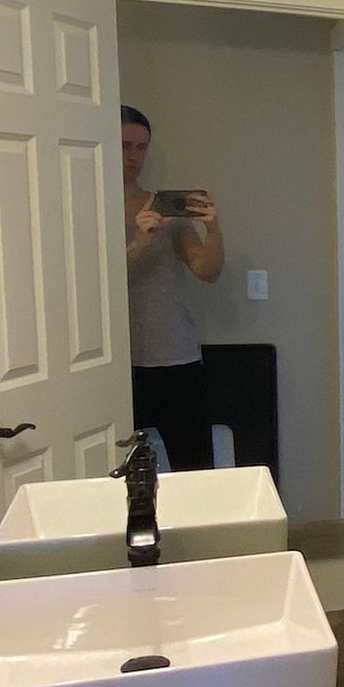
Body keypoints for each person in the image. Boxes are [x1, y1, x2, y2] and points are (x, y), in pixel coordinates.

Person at [122, 104, 224, 471]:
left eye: (141, 147)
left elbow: (206, 270)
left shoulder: (165, 209)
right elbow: (91, 288)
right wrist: (139, 241)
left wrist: (213, 228)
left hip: (177, 357)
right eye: (123, 145)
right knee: (114, 475)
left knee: (195, 469)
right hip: (118, 364)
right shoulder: (88, 208)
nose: (133, 156)